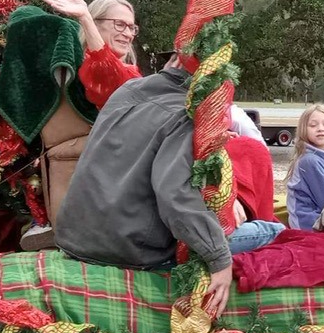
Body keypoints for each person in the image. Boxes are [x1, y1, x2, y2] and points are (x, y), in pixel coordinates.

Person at [57, 54, 235, 317]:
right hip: (129, 248)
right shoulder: (184, 114)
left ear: (174, 60)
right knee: (265, 231)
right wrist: (219, 259)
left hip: (75, 236)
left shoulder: (127, 89)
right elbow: (175, 196)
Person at [38, 0, 142, 108]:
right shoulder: (89, 69)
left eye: (131, 27)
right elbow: (109, 73)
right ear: (95, 25)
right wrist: (85, 18)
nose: (128, 34)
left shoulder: (131, 71)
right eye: (119, 25)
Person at [286, 104, 324, 230]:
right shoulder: (310, 161)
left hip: (320, 219)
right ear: (303, 130)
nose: (320, 129)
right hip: (309, 224)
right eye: (313, 125)